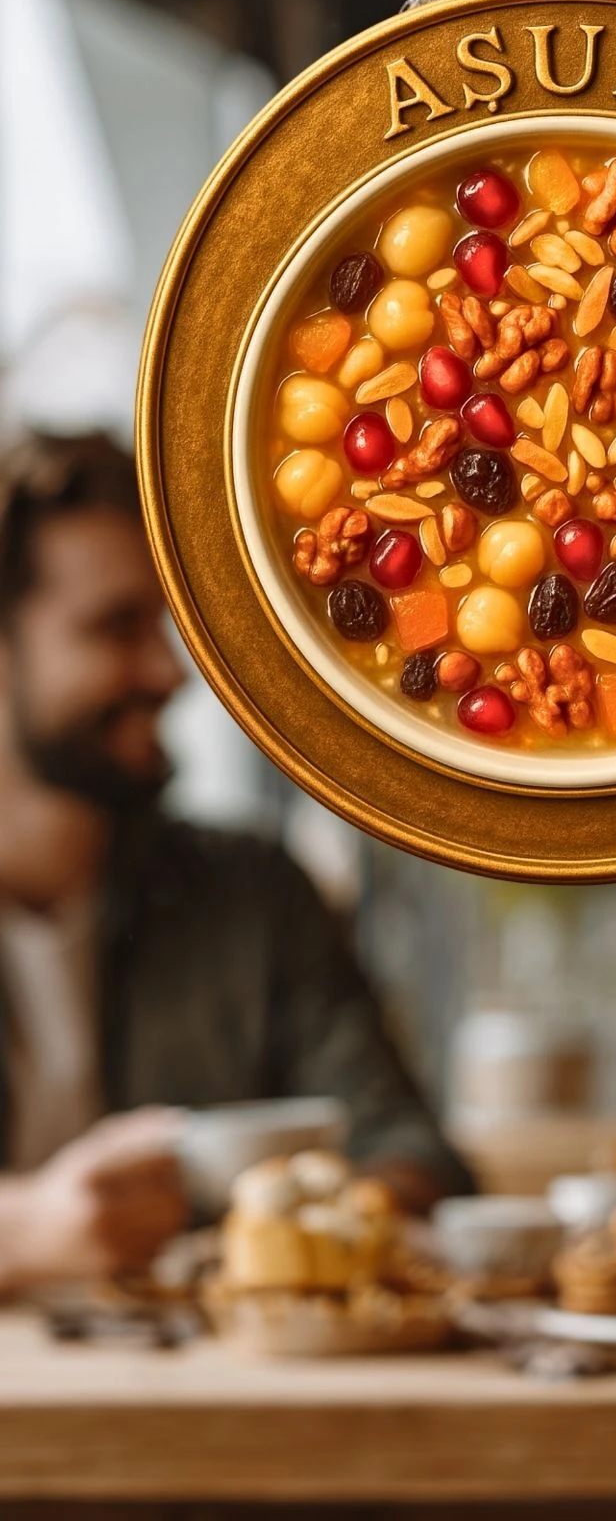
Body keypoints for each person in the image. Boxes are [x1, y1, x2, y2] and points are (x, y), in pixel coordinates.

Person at [0, 432, 471, 1291]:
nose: (168, 673)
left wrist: (339, 1215)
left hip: (226, 1406)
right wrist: (23, 1230)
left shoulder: (254, 893)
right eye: (116, 627)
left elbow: (408, 1148)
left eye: (166, 625)